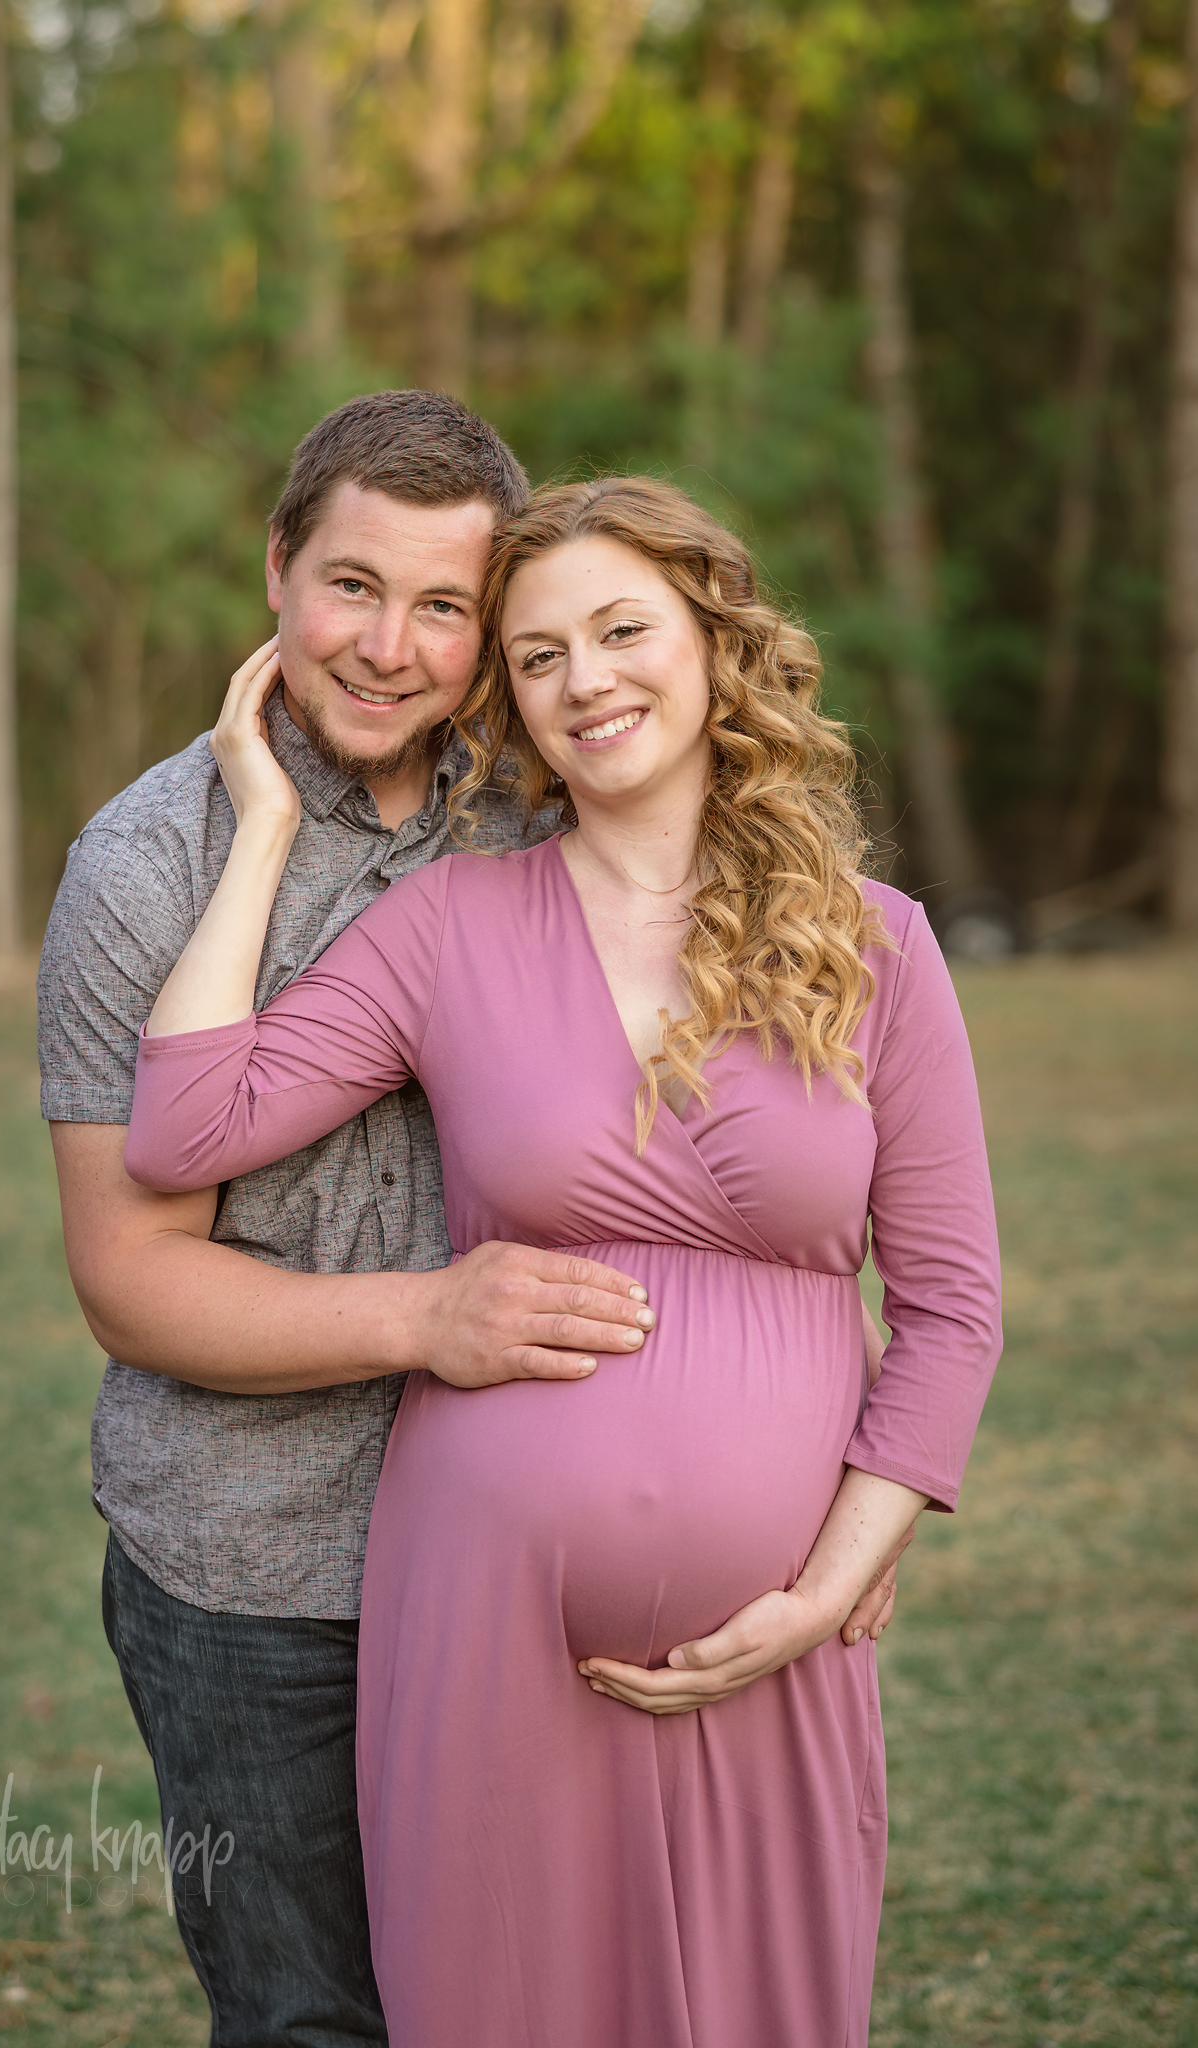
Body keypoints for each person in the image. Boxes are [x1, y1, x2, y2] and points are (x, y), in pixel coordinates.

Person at [123, 475, 1001, 2048]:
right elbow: (186, 1128)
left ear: (713, 644)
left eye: (620, 630)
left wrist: (828, 1586)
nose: (586, 678)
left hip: (771, 1647)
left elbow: (949, 1311)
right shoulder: (448, 927)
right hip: (486, 1617)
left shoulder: (876, 949)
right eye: (538, 657)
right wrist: (258, 817)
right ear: (512, 706)